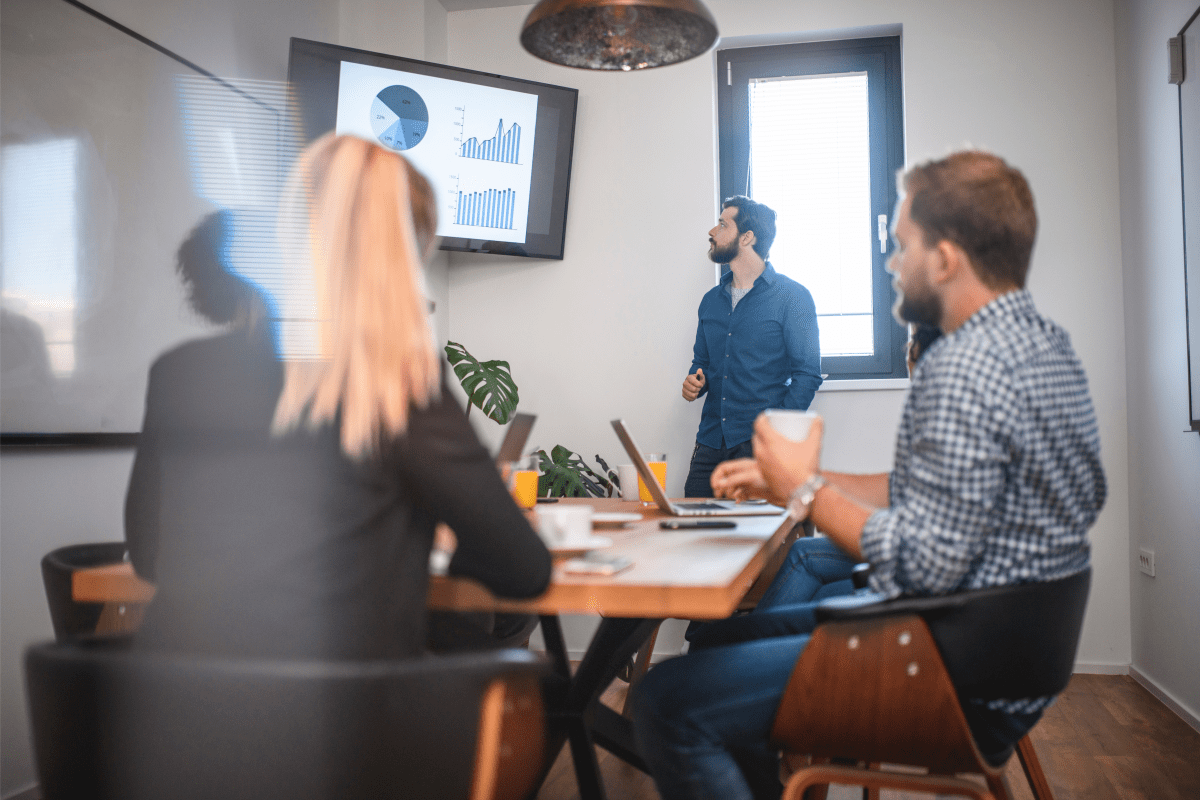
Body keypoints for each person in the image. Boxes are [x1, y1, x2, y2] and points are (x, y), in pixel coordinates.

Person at [632, 150, 1107, 800]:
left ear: (944, 259)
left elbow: (924, 560)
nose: (891, 263)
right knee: (721, 637)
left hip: (949, 663)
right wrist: (799, 476)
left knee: (666, 700)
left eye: (900, 246)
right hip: (1002, 652)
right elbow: (922, 495)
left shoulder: (965, 366)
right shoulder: (1041, 346)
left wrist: (806, 489)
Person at [125, 135, 551, 659]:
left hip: (175, 716)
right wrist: (423, 550)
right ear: (407, 251)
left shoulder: (179, 372)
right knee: (527, 683)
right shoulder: (395, 384)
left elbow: (148, 556)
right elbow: (523, 569)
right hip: (343, 728)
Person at [681, 196, 822, 497]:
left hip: (758, 446)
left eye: (722, 224)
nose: (712, 231)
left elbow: (807, 375)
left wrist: (774, 433)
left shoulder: (793, 298)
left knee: (757, 538)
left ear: (746, 237)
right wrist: (694, 382)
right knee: (691, 528)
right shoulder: (710, 301)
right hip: (710, 442)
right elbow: (701, 362)